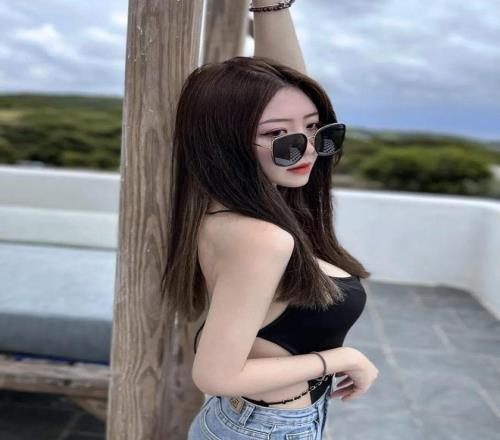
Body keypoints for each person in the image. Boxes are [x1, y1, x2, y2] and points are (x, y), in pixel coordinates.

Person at [161, 1, 379, 438]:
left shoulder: (234, 206)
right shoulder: (260, 236)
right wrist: (342, 359)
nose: (307, 149)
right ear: (225, 144)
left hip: (261, 421)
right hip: (268, 427)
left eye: (314, 128)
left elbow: (283, 90)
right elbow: (216, 375)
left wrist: (269, 6)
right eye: (277, 134)